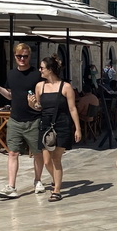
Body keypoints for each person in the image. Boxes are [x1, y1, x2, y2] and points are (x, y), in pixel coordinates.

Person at [0, 43, 45, 199]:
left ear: (30, 57)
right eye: (19, 56)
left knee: (37, 153)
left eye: (25, 56)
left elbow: (43, 94)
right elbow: (10, 95)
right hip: (15, 119)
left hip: (34, 120)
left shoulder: (37, 75)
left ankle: (37, 180)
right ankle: (11, 186)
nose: (22, 59)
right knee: (12, 153)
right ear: (15, 57)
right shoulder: (11, 74)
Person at [32, 55, 81, 201]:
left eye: (42, 68)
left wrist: (77, 128)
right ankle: (56, 180)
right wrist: (32, 104)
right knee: (46, 161)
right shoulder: (39, 86)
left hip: (62, 125)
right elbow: (38, 107)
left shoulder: (65, 87)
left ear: (50, 70)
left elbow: (72, 108)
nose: (40, 70)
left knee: (56, 158)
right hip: (46, 125)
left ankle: (57, 190)